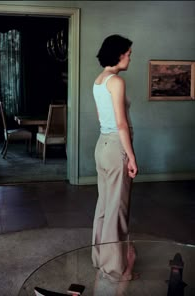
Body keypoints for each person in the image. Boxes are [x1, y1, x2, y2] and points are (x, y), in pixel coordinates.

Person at [91, 34, 139, 282]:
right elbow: (121, 123)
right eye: (129, 53)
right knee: (117, 210)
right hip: (116, 146)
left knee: (104, 205)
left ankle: (101, 258)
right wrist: (131, 157)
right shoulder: (116, 81)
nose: (130, 57)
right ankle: (116, 269)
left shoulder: (98, 81)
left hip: (102, 146)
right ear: (119, 54)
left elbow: (103, 120)